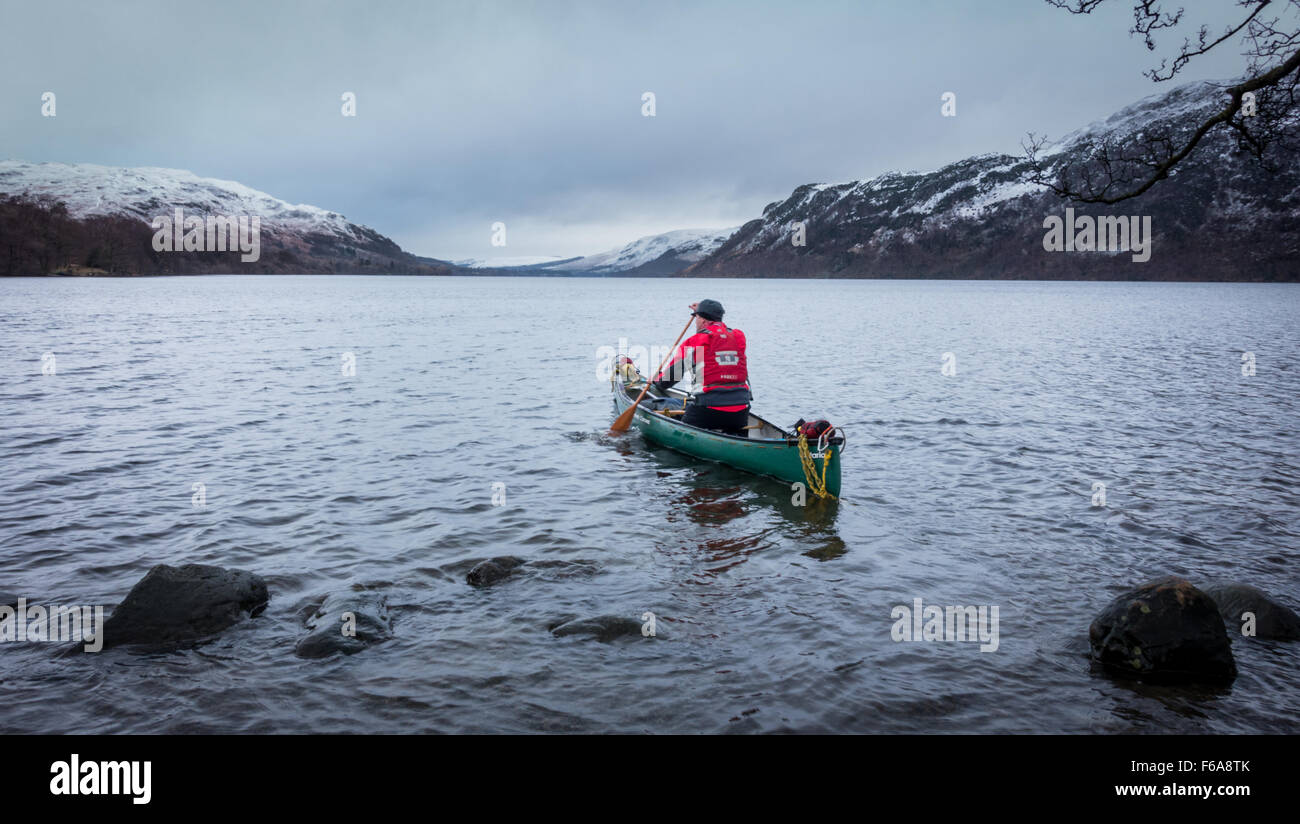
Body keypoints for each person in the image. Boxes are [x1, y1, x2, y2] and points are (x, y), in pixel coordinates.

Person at [651, 299, 751, 436]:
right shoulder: (738, 337)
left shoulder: (695, 342)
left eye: (696, 318)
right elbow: (718, 338)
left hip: (708, 411)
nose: (695, 322)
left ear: (703, 321)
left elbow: (670, 378)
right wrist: (701, 311)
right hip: (740, 412)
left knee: (655, 406)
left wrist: (657, 381)